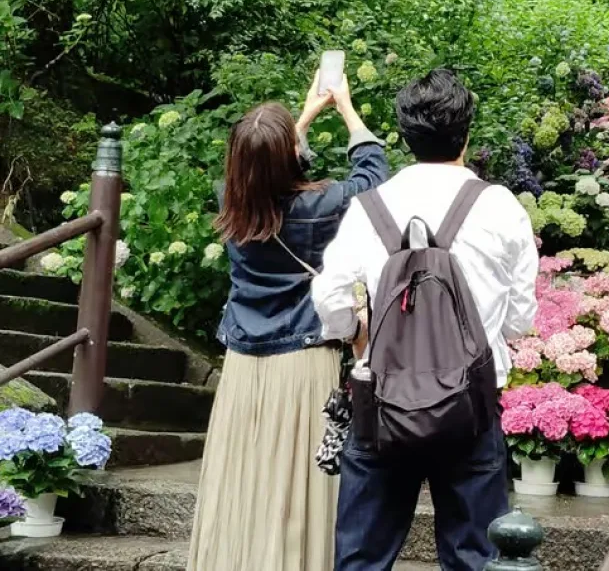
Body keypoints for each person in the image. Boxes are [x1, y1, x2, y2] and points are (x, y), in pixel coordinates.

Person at [312, 68, 539, 571]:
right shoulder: (500, 207)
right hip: (471, 406)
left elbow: (329, 301)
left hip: (381, 405)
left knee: (362, 559)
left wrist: (356, 332)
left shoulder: (369, 206)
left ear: (404, 135)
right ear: (467, 132)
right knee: (475, 557)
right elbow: (521, 320)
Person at [187, 68, 388, 571]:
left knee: (244, 478)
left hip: (242, 364)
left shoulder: (230, 200)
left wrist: (300, 116)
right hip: (301, 360)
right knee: (294, 481)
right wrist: (342, 108)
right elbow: (373, 175)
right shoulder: (322, 205)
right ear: (289, 155)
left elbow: (266, 168)